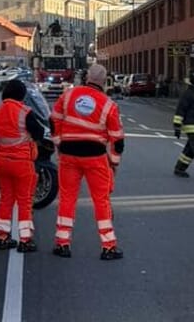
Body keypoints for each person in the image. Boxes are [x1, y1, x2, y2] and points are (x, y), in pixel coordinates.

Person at [51, 63, 125, 260]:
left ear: (87, 78)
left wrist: (59, 144)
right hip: (95, 156)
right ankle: (108, 246)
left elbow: (54, 120)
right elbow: (117, 139)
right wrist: (114, 163)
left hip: (68, 154)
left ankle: (62, 243)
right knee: (101, 200)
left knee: (67, 198)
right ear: (104, 81)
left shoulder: (68, 95)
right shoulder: (108, 105)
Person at [0, 79, 48, 252]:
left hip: (3, 162)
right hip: (22, 162)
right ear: (22, 95)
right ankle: (25, 240)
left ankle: (2, 237)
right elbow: (39, 132)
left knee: (6, 200)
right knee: (24, 202)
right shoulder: (25, 112)